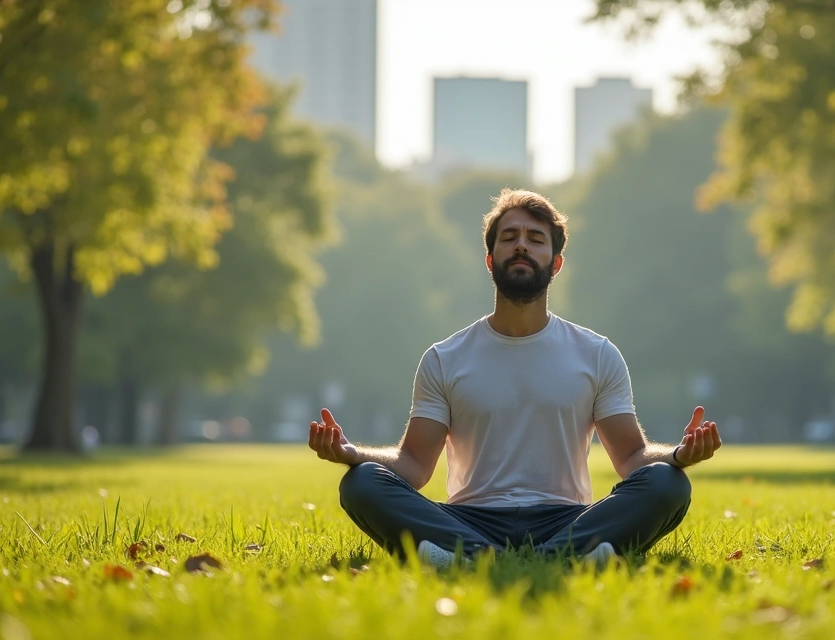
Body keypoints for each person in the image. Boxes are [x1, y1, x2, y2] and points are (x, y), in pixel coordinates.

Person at [308, 188, 721, 567]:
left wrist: (678, 456)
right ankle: (547, 557)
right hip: (470, 519)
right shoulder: (444, 358)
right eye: (509, 237)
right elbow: (414, 464)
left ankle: (500, 557)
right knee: (362, 483)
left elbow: (632, 458)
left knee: (667, 483)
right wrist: (352, 454)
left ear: (555, 263)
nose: (521, 244)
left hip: (566, 518)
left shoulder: (596, 354)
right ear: (490, 260)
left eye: (536, 239)